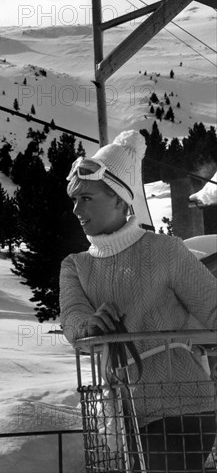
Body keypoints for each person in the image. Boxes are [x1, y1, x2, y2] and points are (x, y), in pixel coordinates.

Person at [59, 130, 216, 471]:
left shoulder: (166, 251)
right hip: (124, 412)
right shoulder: (75, 266)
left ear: (119, 198)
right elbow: (72, 319)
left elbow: (213, 309)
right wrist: (88, 324)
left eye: (86, 198)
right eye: (74, 199)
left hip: (185, 406)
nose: (76, 209)